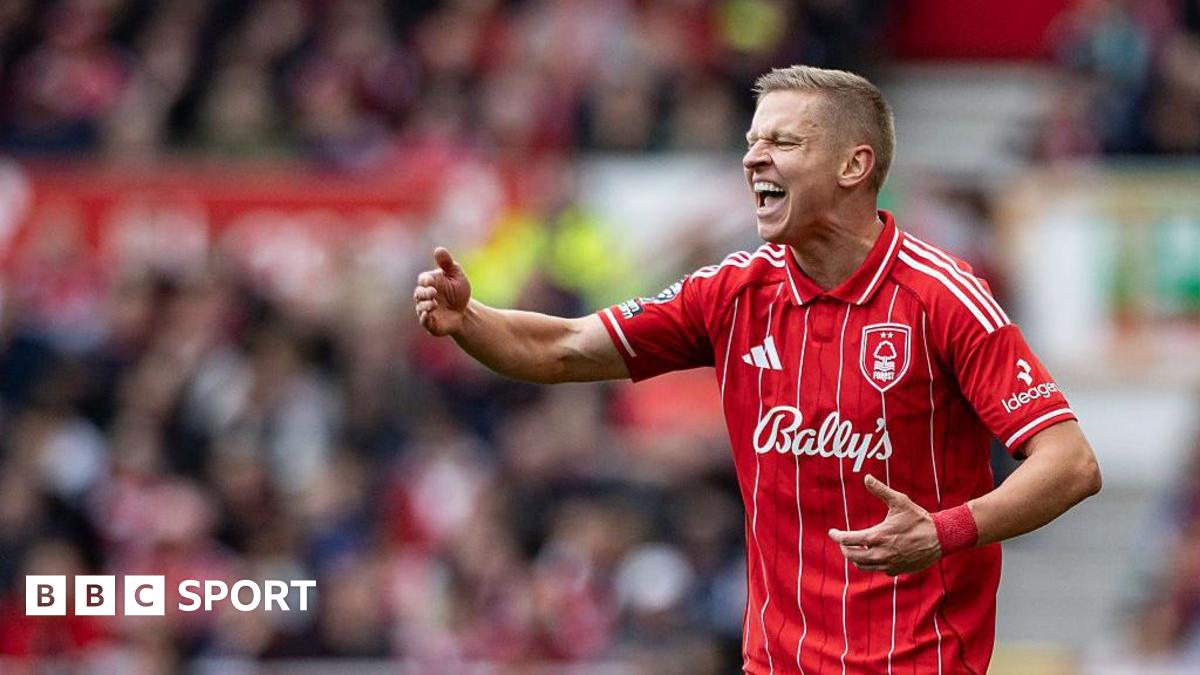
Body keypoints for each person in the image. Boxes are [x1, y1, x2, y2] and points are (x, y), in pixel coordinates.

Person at [412, 65, 1102, 674]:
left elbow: (1070, 462)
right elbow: (564, 346)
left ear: (854, 165)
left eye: (782, 142)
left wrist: (943, 532)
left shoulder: (941, 296)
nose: (753, 158)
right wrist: (469, 320)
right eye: (751, 141)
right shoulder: (732, 292)